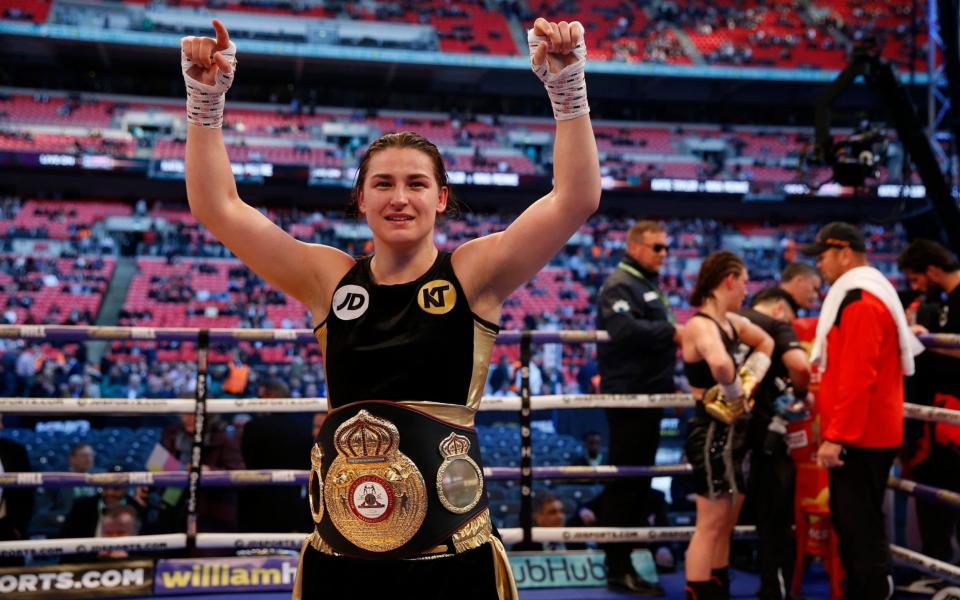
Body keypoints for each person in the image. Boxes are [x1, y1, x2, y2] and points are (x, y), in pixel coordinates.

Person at [180, 16, 599, 599]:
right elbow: (217, 207)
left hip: (451, 555)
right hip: (342, 555)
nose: (399, 197)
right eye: (382, 184)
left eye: (416, 183)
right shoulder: (326, 277)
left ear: (441, 197)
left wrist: (567, 86)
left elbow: (575, 198)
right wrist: (205, 101)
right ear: (361, 198)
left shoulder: (474, 273)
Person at [801, 222, 923, 599]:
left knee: (858, 527)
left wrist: (836, 437)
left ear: (845, 254)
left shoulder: (860, 303)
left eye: (823, 256)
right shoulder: (864, 297)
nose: (819, 265)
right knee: (858, 524)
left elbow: (858, 377)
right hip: (868, 431)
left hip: (862, 435)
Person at [681, 251, 774, 600]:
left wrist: (747, 383)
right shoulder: (700, 325)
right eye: (745, 283)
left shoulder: (732, 323)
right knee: (710, 524)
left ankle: (718, 591)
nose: (746, 291)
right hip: (710, 432)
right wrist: (736, 392)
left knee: (726, 522)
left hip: (734, 433)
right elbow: (720, 365)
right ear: (729, 280)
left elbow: (767, 342)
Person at [595, 220, 678, 596]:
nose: (664, 254)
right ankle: (616, 567)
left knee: (637, 482)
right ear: (636, 247)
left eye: (666, 248)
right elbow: (625, 332)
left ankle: (624, 562)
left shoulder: (645, 284)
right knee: (627, 482)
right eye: (657, 247)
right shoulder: (620, 284)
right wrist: (674, 333)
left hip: (650, 397)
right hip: (630, 398)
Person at [739, 287, 811, 599]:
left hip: (730, 429)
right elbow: (800, 366)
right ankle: (775, 587)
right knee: (775, 519)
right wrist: (800, 393)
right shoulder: (775, 325)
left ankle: (713, 583)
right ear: (780, 308)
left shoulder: (730, 321)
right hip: (768, 431)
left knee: (724, 514)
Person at [896, 239, 960, 588]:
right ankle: (938, 570)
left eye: (917, 279)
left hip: (954, 413)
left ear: (932, 270)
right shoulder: (944, 301)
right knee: (936, 489)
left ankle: (947, 572)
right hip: (938, 412)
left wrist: (929, 339)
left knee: (948, 488)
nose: (916, 287)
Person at [238, 378, 313, 533]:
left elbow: (249, 462)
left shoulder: (254, 427)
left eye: (260, 398)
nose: (257, 403)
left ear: (270, 397)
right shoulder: (304, 427)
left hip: (259, 500)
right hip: (293, 500)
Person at [0, 415, 33, 568]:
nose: (1, 426)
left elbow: (26, 494)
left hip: (6, 529)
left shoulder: (14, 450)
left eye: (1, 420)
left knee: (11, 582)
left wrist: (18, 527)